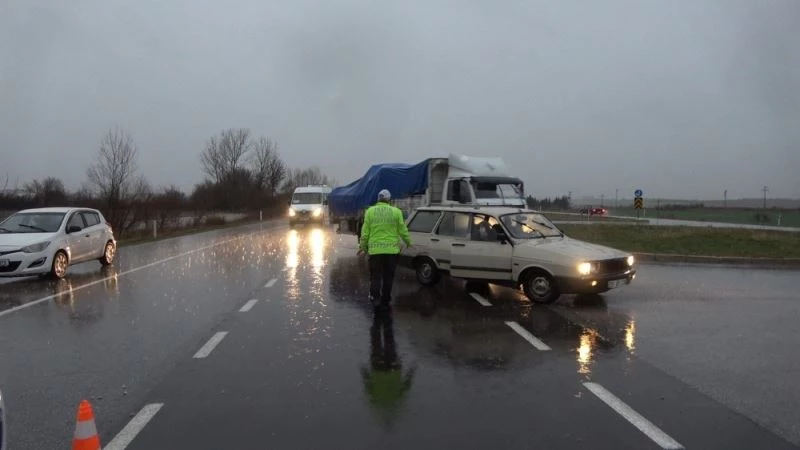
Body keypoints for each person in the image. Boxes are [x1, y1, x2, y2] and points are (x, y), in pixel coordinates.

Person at [358, 189, 412, 309]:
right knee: (388, 276)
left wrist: (362, 246)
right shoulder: (396, 212)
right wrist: (408, 242)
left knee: (376, 276)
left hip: (376, 252)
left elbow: (365, 232)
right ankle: (386, 299)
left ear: (378, 199)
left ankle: (375, 298)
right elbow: (402, 230)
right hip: (392, 252)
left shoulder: (370, 212)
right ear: (389, 200)